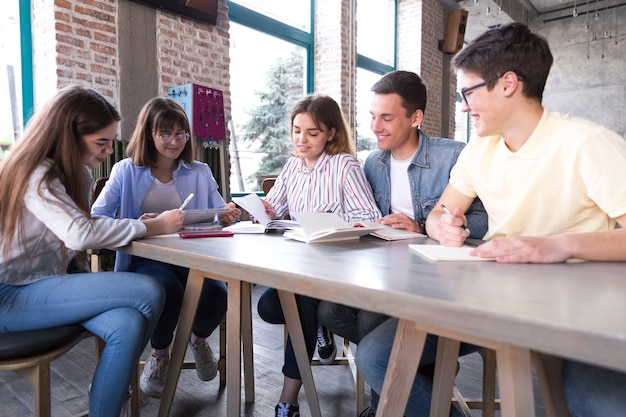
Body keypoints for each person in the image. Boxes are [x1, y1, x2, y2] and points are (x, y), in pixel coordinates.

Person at [358, 22, 626, 417]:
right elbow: (439, 213)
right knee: (376, 356)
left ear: (508, 84)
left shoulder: (587, 144)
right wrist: (441, 226)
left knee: (598, 403)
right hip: (493, 301)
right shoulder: (479, 151)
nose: (464, 105)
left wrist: (557, 244)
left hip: (582, 311)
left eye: (468, 92)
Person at [0, 86, 184, 417]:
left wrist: (132, 222)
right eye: (101, 142)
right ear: (68, 136)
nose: (108, 150)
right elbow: (80, 234)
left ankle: (107, 401)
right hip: (8, 295)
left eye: (110, 141)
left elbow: (79, 225)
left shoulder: (72, 174)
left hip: (36, 284)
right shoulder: (35, 172)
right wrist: (151, 227)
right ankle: (114, 388)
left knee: (127, 323)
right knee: (149, 290)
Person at [317, 70, 488, 417]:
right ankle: (421, 372)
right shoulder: (372, 162)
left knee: (369, 324)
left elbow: (485, 219)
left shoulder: (453, 156)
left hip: (437, 280)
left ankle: (384, 407)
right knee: (329, 311)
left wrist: (426, 225)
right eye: (372, 116)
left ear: (415, 118)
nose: (375, 126)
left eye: (387, 117)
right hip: (387, 272)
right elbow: (365, 214)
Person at [91, 97, 241, 398]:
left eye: (181, 133)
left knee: (217, 295)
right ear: (149, 134)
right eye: (165, 134)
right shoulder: (125, 170)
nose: (175, 141)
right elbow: (96, 218)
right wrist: (139, 223)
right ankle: (160, 353)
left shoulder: (198, 170)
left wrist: (226, 213)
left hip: (192, 257)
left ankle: (198, 340)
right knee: (166, 290)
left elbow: (216, 212)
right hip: (144, 260)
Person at [256, 93, 382, 417]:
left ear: (331, 133)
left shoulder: (344, 166)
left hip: (335, 268)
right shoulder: (292, 167)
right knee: (269, 306)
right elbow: (275, 209)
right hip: (299, 265)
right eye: (297, 130)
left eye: (312, 133)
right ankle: (321, 330)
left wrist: (333, 225)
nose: (302, 139)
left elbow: (369, 217)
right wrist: (260, 210)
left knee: (300, 304)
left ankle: (287, 402)